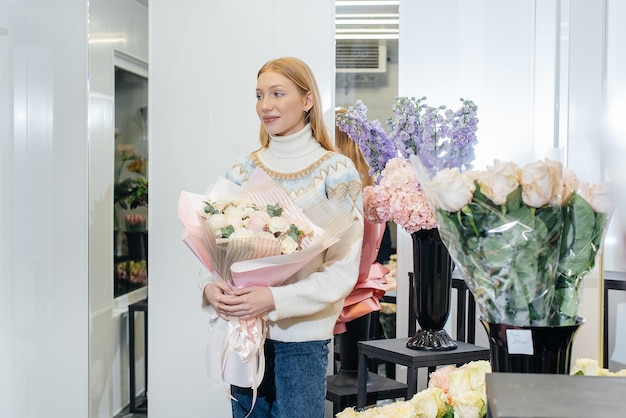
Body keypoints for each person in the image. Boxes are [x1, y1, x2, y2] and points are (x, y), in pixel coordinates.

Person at [200, 57, 364, 418]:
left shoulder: (336, 172)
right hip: (245, 337)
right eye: (259, 95)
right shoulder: (241, 169)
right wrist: (210, 288)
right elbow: (212, 247)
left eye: (277, 93)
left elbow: (341, 270)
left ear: (307, 100)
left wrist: (273, 298)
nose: (265, 105)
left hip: (302, 342)